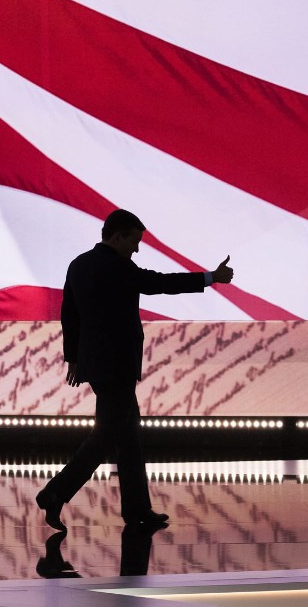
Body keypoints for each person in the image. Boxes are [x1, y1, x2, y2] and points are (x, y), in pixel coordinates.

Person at [36, 209, 234, 530]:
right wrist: (210, 278)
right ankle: (55, 493)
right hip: (118, 366)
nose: (137, 249)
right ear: (117, 236)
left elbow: (68, 316)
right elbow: (158, 283)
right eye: (134, 241)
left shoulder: (79, 265)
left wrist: (73, 358)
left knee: (129, 439)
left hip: (97, 366)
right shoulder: (117, 266)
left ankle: (137, 510)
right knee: (105, 438)